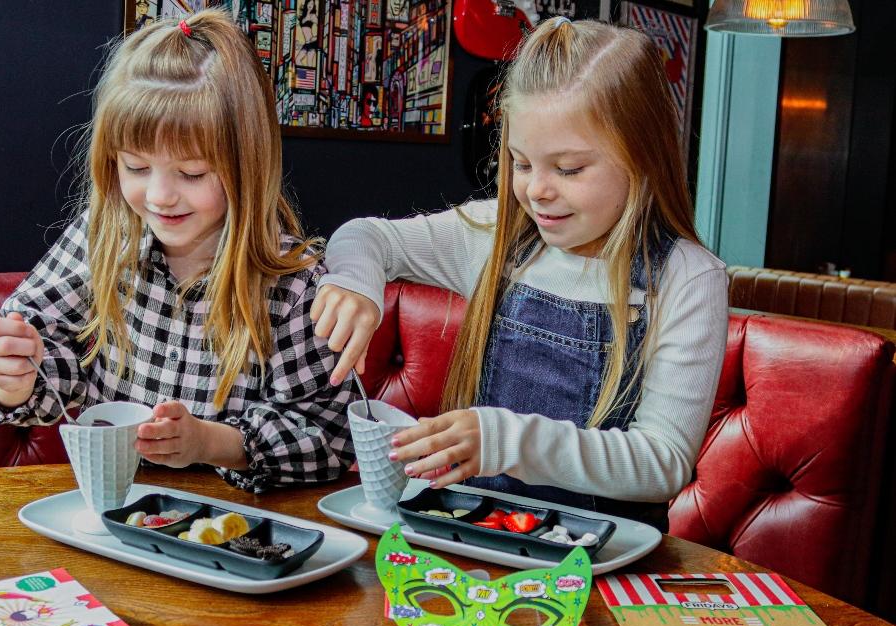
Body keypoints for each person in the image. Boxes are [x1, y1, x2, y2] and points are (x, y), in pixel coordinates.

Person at [310, 18, 728, 531]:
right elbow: (365, 236)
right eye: (521, 163)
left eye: (569, 169)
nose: (537, 191)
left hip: (601, 560)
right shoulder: (496, 234)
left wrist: (506, 442)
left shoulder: (688, 276)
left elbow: (661, 463)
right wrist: (355, 283)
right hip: (474, 541)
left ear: (643, 158)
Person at [0, 9, 355, 493]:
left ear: (247, 165)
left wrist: (208, 442)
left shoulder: (295, 283)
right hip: (114, 509)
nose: (160, 196)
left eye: (191, 173)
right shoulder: (105, 236)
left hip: (238, 531)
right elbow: (39, 352)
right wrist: (12, 377)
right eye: (136, 167)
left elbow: (329, 440)